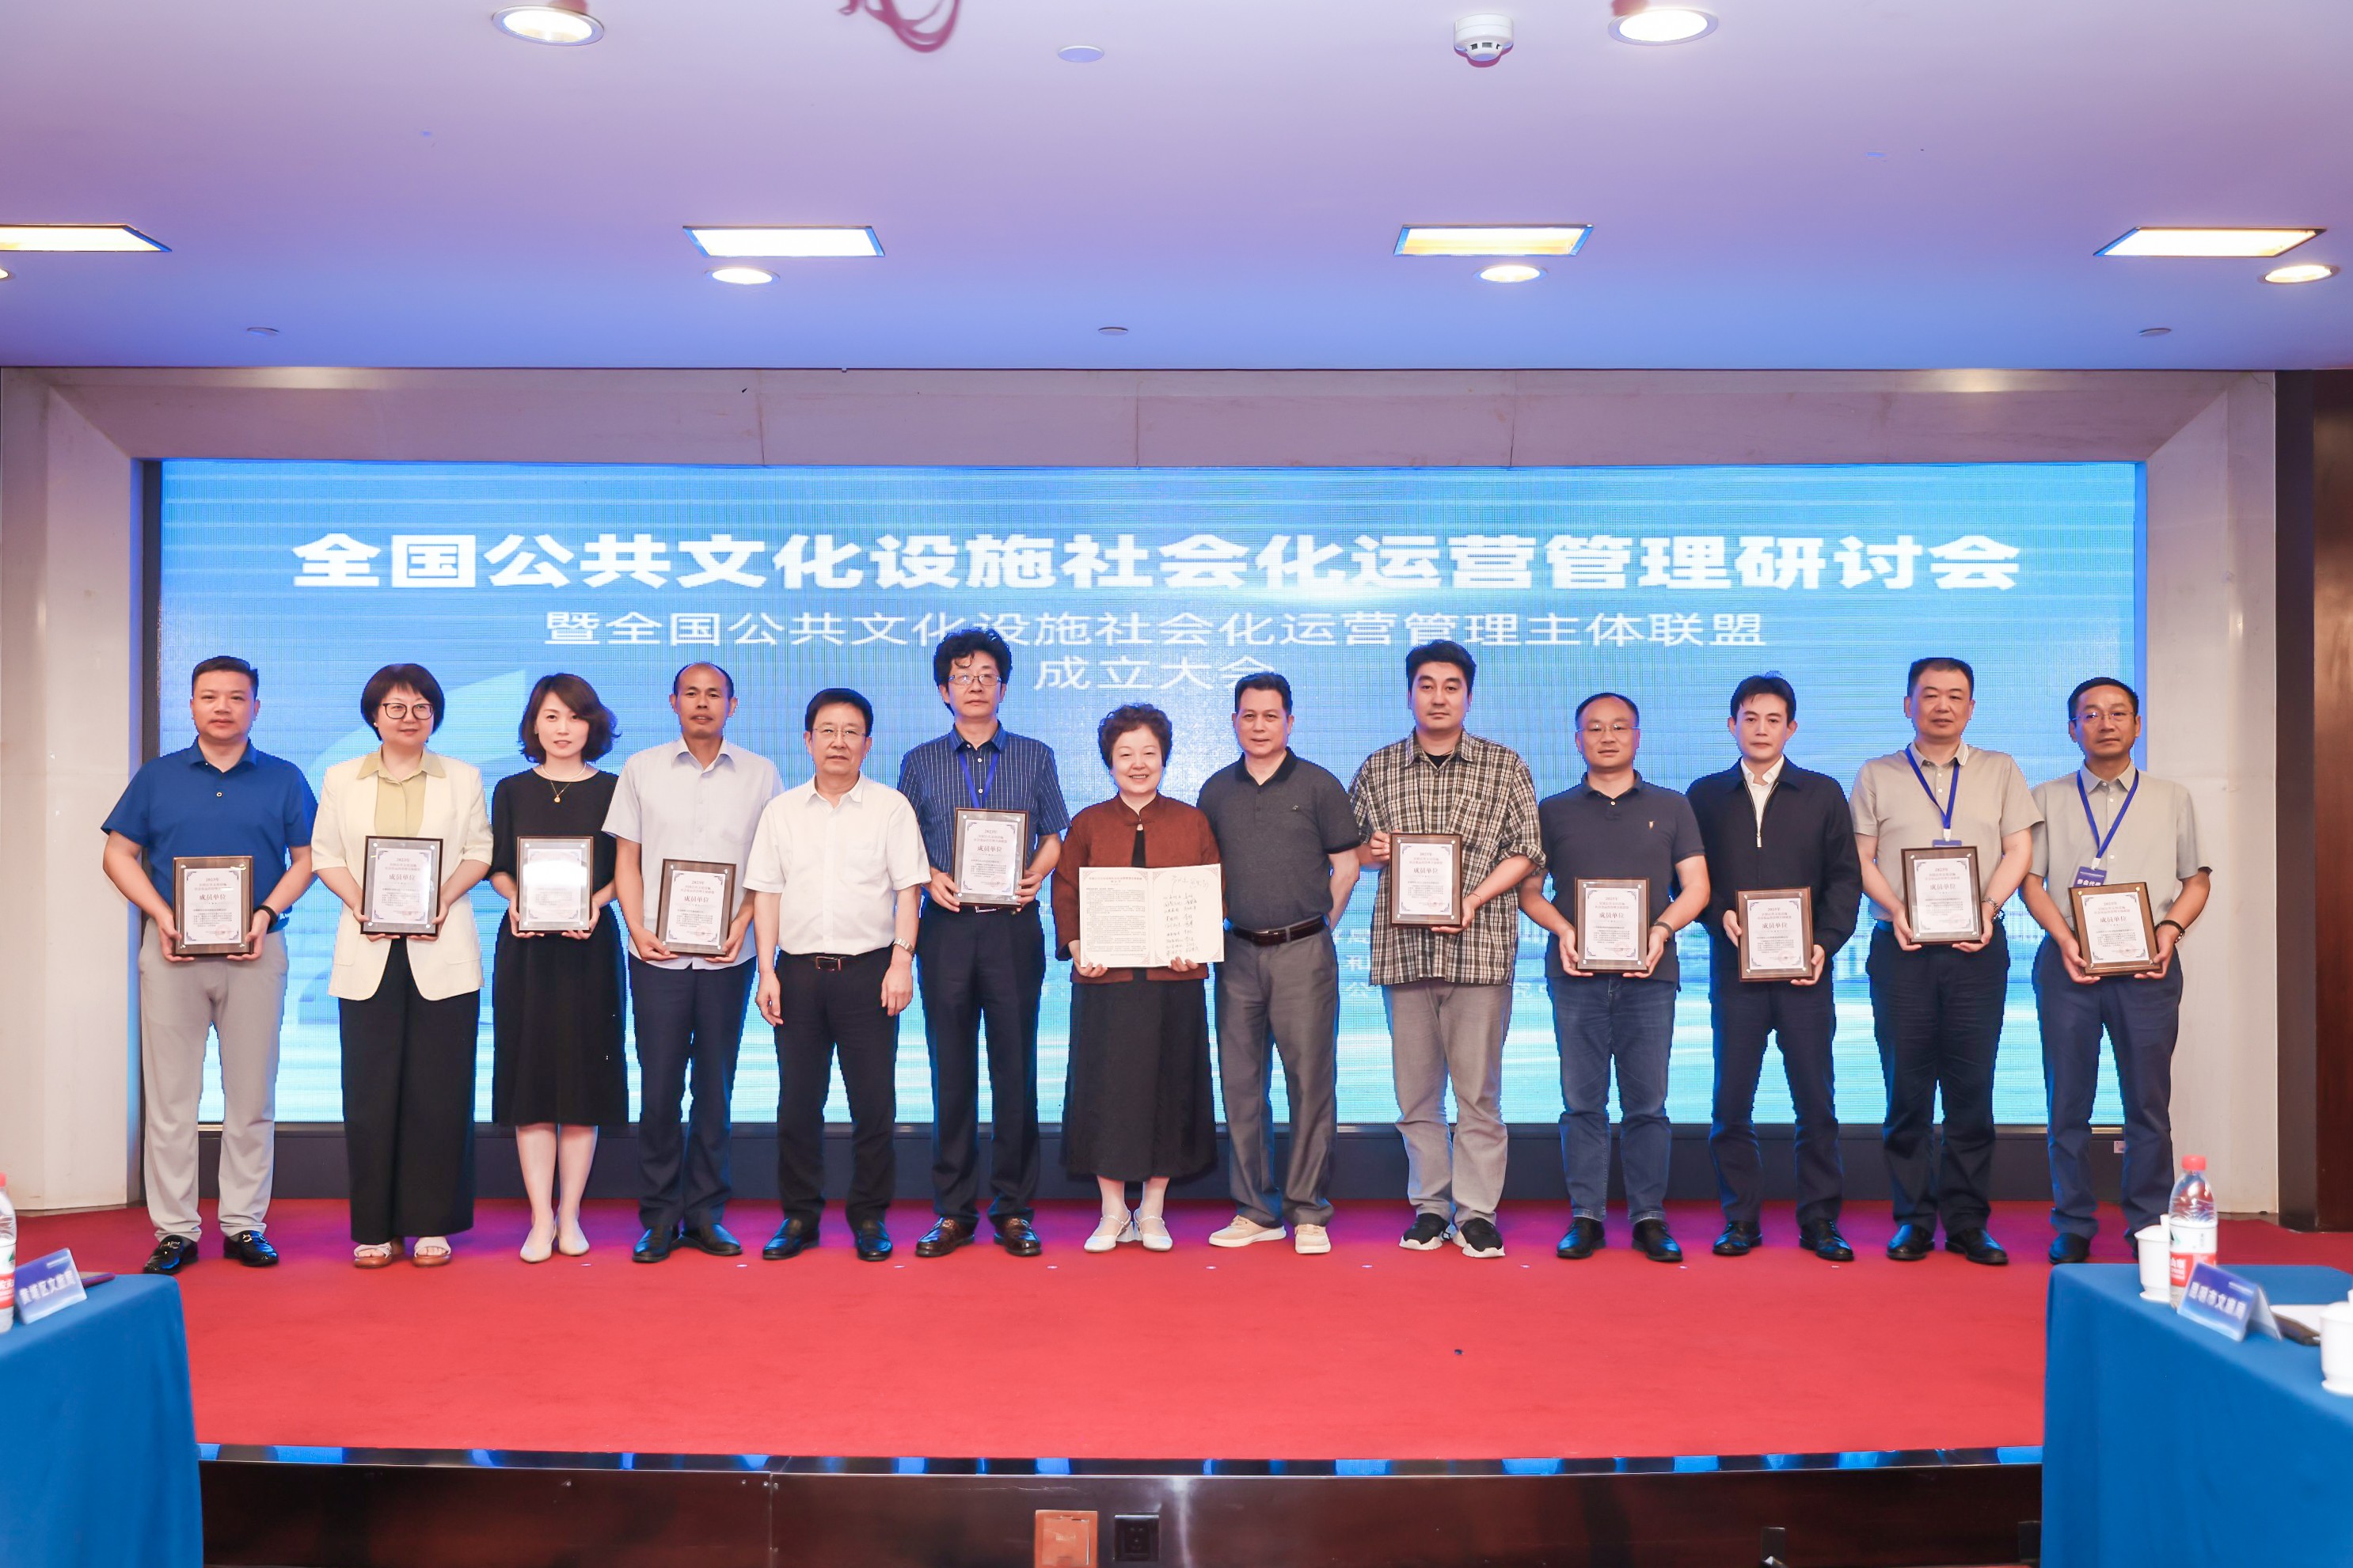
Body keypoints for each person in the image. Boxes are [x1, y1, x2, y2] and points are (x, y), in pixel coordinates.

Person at [101, 656, 317, 1276]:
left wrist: (267, 912)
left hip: (258, 950)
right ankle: (175, 1230)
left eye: (236, 697)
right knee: (172, 1099)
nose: (223, 707)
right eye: (209, 696)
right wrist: (161, 913)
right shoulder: (157, 777)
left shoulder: (283, 777)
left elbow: (307, 858)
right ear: (191, 705)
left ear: (257, 707)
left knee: (252, 1096)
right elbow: (118, 854)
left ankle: (245, 1223)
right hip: (172, 951)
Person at [1350, 640, 1543, 1259]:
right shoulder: (1379, 767)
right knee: (1416, 1095)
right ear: (1410, 693)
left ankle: (1477, 1213)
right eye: (1426, 685)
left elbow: (1527, 850)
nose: (1438, 697)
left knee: (1478, 1094)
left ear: (1468, 695)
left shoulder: (1504, 765)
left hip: (1479, 950)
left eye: (1451, 686)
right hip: (1404, 953)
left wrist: (1473, 899)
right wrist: (1370, 851)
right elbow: (1351, 850)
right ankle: (1431, 1208)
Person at [1850, 656, 2040, 1266]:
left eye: (1955, 695)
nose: (1942, 705)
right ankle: (1911, 1219)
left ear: (1971, 707)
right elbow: (1861, 856)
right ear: (1908, 703)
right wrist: (1896, 909)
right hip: (1901, 948)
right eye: (1929, 694)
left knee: (1971, 1087)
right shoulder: (1877, 773)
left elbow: (2019, 847)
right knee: (1906, 1088)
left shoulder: (2000, 768)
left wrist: (1988, 905)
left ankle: (1966, 1222)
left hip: (1977, 948)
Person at [2020, 677, 2210, 1264]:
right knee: (2067, 1101)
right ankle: (2073, 1222)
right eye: (2091, 714)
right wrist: (2063, 938)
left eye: (2118, 713)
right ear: (2071, 727)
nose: (2105, 723)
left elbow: (2196, 880)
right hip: (2068, 964)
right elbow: (2030, 881)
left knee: (2147, 1103)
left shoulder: (2171, 797)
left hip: (2147, 968)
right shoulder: (2045, 797)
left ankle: (2149, 1223)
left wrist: (2170, 931)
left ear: (2137, 725)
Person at [310, 663, 493, 1267]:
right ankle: (376, 1226)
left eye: (421, 707)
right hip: (368, 948)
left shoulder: (462, 776)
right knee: (369, 1093)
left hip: (442, 946)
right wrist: (363, 903)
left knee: (440, 1091)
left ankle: (432, 1223)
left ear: (435, 715)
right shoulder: (342, 777)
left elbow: (480, 850)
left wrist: (438, 898)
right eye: (395, 706)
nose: (408, 717)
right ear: (374, 715)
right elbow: (326, 854)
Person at [895, 628, 1070, 1259]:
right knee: (951, 1071)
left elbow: (1056, 833)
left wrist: (1036, 874)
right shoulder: (920, 761)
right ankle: (953, 1211)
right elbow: (901, 843)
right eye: (962, 675)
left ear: (1003, 686)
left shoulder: (1034, 755)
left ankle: (1014, 1208)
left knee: (1014, 1068)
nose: (975, 684)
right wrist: (929, 876)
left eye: (986, 674)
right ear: (944, 690)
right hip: (946, 927)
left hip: (1012, 926)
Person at [1519, 693, 1710, 1264]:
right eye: (1595, 728)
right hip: (1574, 974)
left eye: (1619, 727)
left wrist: (1661, 930)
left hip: (1650, 974)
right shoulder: (1552, 810)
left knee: (1647, 1103)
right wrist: (1563, 930)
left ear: (1637, 737)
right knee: (1582, 1102)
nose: (1607, 737)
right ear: (1577, 740)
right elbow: (1529, 891)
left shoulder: (1672, 806)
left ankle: (1650, 1217)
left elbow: (1697, 887)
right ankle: (1587, 1216)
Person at [1685, 674, 1865, 1262]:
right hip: (1734, 974)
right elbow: (1687, 877)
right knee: (1731, 1101)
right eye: (1750, 717)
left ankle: (1820, 1221)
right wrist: (1716, 915)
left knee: (1816, 1101)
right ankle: (1741, 1218)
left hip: (1805, 974)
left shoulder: (1821, 793)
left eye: (1773, 719)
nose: (1760, 729)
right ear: (1731, 724)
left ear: (1792, 728)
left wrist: (1826, 943)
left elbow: (1845, 878)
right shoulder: (1705, 795)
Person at [606, 662, 781, 1264]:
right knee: (658, 1089)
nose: (702, 703)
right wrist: (637, 927)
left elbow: (769, 865)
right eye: (691, 693)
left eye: (714, 694)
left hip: (728, 956)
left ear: (733, 705)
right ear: (673, 702)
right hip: (655, 955)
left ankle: (706, 1213)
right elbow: (626, 860)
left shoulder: (761, 774)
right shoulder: (641, 769)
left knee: (715, 1087)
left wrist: (743, 922)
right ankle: (658, 1217)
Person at [747, 688, 928, 1263]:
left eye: (852, 732)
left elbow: (909, 891)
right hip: (797, 974)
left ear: (868, 744)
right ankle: (799, 1215)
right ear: (808, 740)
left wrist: (902, 961)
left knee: (873, 1104)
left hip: (870, 972)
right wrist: (766, 970)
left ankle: (870, 1215)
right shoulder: (781, 812)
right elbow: (767, 894)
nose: (839, 742)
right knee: (798, 1103)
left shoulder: (891, 808)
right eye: (828, 730)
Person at [1196, 673, 1361, 1256]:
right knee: (1242, 1086)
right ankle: (1255, 1210)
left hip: (1303, 952)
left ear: (1290, 721)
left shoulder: (1319, 784)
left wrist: (1317, 927)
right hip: (1236, 953)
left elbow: (1347, 866)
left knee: (1310, 1083)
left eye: (1271, 716)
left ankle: (1309, 1210)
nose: (1259, 726)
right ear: (1234, 722)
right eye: (1249, 716)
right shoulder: (1216, 791)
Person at [1055, 704, 1222, 1252]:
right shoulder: (1088, 823)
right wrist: (1078, 948)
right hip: (1106, 983)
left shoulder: (1192, 821)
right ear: (1109, 762)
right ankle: (1112, 1211)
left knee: (1169, 1088)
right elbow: (1066, 890)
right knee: (1106, 1090)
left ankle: (1152, 1211)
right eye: (1125, 753)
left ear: (1165, 758)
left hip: (1174, 983)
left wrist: (1196, 944)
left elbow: (1212, 893)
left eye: (1149, 752)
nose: (1138, 763)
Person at [488, 674, 626, 1264]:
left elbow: (627, 869)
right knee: (532, 1079)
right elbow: (498, 865)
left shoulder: (616, 789)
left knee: (582, 1079)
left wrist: (596, 903)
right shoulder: (511, 789)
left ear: (593, 724)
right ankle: (539, 1218)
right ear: (534, 725)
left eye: (574, 716)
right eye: (551, 716)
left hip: (589, 946)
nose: (563, 728)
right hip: (526, 949)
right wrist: (516, 898)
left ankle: (570, 1214)